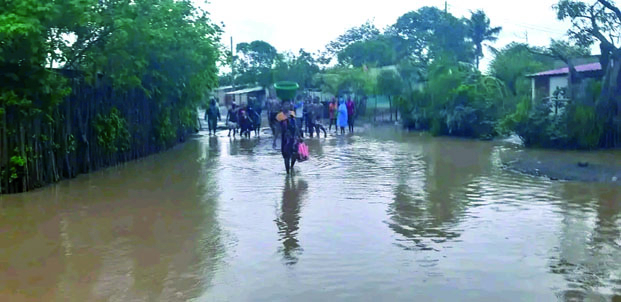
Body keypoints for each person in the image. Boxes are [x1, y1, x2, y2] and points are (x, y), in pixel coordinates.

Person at [277, 102, 301, 174]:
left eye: (287, 104)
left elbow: (296, 126)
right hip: (285, 138)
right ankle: (288, 173)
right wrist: (275, 140)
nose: (287, 105)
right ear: (282, 106)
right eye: (285, 104)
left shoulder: (292, 113)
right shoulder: (280, 116)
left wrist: (299, 136)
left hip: (293, 137)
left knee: (295, 154)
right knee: (286, 156)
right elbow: (278, 128)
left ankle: (291, 167)